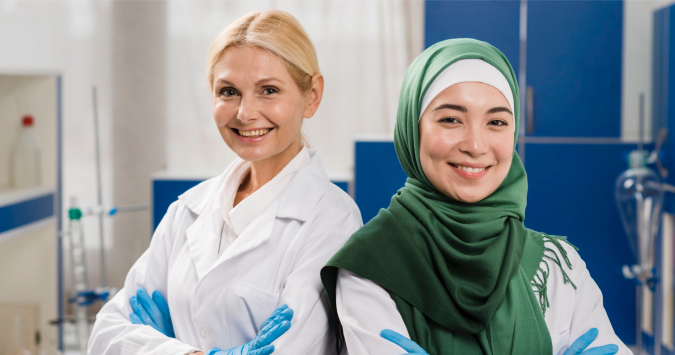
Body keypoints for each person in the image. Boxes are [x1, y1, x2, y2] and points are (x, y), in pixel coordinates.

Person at [321, 39, 631, 355]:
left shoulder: (556, 264)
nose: (475, 145)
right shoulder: (370, 265)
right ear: (412, 129)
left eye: (496, 122)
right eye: (451, 119)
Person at [88, 10, 362, 355]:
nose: (245, 113)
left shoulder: (332, 220)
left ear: (312, 95)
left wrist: (156, 347)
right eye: (229, 91)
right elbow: (105, 334)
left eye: (269, 90)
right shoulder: (189, 209)